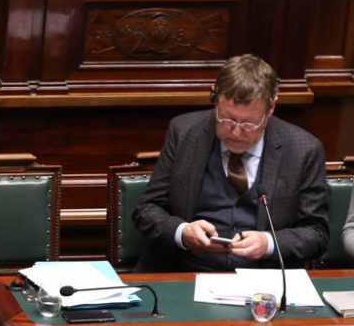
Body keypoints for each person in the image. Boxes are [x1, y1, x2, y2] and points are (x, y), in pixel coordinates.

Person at [133, 54, 328, 272]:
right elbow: (147, 210)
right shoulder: (184, 132)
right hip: (187, 272)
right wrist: (182, 232)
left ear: (271, 107)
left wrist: (269, 243)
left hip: (264, 279)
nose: (236, 132)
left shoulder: (304, 149)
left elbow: (317, 233)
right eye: (227, 119)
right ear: (215, 98)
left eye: (249, 123)